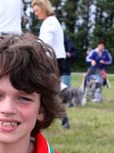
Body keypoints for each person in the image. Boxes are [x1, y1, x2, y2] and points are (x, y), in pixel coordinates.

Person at [31, 0, 69, 129]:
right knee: (50, 91)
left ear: (43, 8)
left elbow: (45, 44)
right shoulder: (54, 21)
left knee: (43, 90)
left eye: (36, 11)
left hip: (52, 61)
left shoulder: (48, 23)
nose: (35, 14)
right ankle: (61, 118)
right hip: (58, 60)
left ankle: (48, 118)